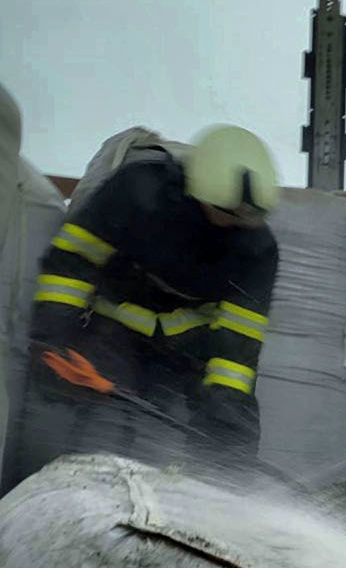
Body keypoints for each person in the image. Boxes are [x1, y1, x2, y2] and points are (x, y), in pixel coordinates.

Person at [21, 125, 279, 477]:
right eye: (230, 212)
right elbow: (72, 264)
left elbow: (239, 342)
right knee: (98, 422)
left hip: (188, 346)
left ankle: (207, 503)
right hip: (115, 329)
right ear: (199, 191)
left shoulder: (258, 250)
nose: (240, 222)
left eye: (250, 215)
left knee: (233, 434)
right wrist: (52, 336)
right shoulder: (136, 192)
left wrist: (225, 410)